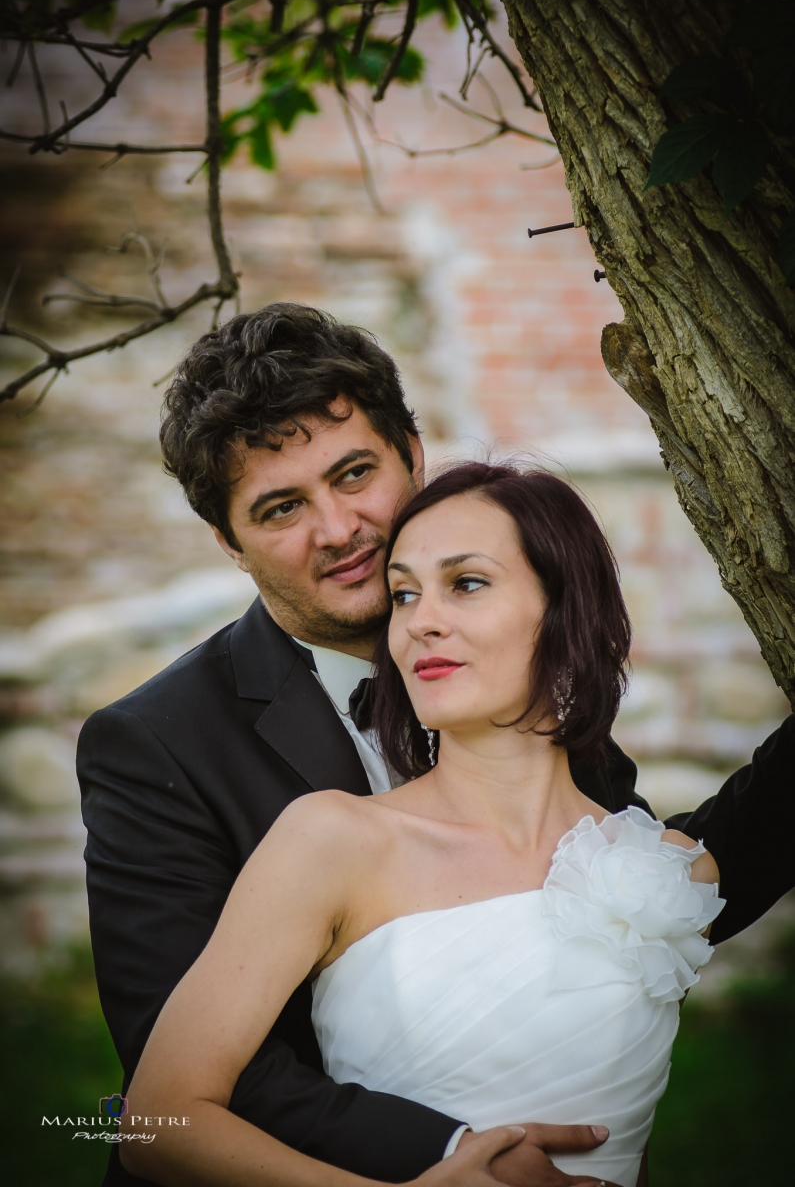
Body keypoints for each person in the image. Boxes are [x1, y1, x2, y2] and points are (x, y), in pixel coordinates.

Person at [77, 304, 794, 1187]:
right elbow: (163, 1100)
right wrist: (462, 1160)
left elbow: (626, 902)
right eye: (280, 508)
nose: (337, 529)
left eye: (353, 474)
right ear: (228, 541)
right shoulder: (155, 744)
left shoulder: (525, 678)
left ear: (412, 458)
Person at [119, 462, 723, 1187]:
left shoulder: (670, 874)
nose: (419, 621)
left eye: (465, 583)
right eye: (403, 594)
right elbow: (156, 1124)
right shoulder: (331, 841)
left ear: (566, 609)